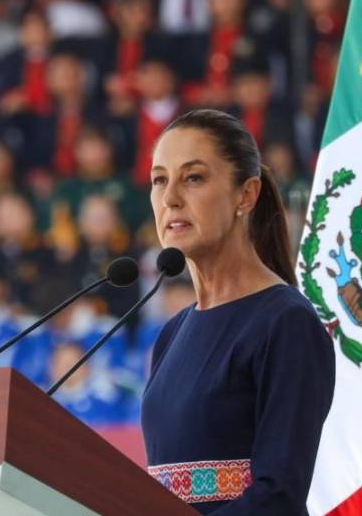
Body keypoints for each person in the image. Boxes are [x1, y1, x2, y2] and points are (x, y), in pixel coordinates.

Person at [141, 108, 334, 513]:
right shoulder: (171, 335)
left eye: (193, 178)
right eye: (160, 180)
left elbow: (278, 495)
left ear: (246, 195)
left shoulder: (285, 322)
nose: (171, 198)